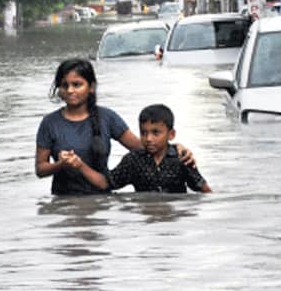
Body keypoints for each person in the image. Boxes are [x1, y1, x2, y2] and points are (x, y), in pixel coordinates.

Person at [35, 58, 193, 195]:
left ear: (91, 87)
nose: (70, 90)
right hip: (63, 203)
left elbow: (143, 147)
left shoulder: (107, 118)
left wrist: (177, 149)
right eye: (64, 85)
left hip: (103, 202)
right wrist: (60, 165)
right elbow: (40, 169)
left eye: (77, 84)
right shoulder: (50, 123)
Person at [63, 104, 212, 193]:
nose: (148, 139)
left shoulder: (182, 159)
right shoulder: (133, 160)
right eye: (143, 133)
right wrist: (80, 165)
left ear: (171, 134)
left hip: (175, 224)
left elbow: (205, 190)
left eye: (155, 133)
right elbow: (106, 183)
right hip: (145, 225)